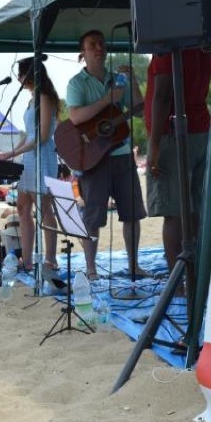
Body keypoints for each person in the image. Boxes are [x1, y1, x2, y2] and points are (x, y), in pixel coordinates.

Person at [66, 29, 148, 281]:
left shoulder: (118, 79)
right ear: (83, 53)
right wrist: (107, 101)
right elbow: (76, 117)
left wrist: (132, 83)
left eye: (101, 44)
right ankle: (91, 269)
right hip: (94, 159)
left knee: (132, 214)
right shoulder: (76, 83)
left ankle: (133, 265)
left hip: (123, 155)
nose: (99, 48)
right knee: (93, 218)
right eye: (93, 45)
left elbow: (138, 112)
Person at [145, 48, 211, 273]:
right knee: (193, 210)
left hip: (173, 134)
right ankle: (193, 277)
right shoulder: (203, 48)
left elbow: (164, 94)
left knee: (175, 213)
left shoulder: (168, 47)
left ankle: (179, 284)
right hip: (200, 131)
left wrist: (154, 144)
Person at [0, 57, 60, 274]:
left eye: (21, 75)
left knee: (44, 209)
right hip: (29, 158)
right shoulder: (31, 99)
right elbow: (28, 134)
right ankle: (27, 258)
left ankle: (50, 259)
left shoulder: (45, 97)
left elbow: (42, 136)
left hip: (43, 156)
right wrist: (11, 154)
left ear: (29, 75)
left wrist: (14, 152)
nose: (19, 80)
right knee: (23, 207)